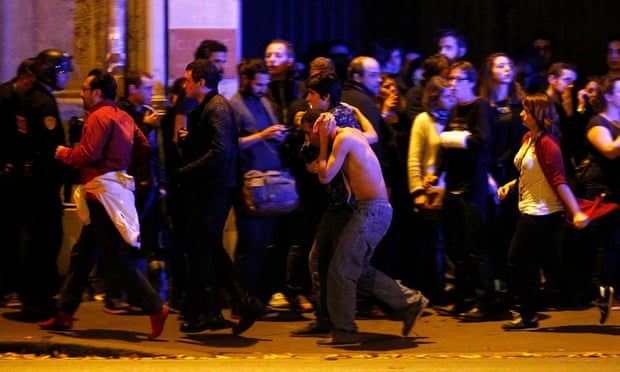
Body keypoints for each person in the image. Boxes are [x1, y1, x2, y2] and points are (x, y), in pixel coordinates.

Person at [38, 68, 169, 340]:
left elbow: (89, 152)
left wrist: (65, 153)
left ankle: (155, 307)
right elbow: (143, 146)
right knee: (83, 255)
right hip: (111, 190)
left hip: (101, 193)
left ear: (97, 92)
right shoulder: (123, 116)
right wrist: (120, 165)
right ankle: (65, 312)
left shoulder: (98, 117)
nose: (83, 93)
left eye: (85, 89)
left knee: (114, 258)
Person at [299, 98, 429, 347]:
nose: (308, 140)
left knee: (341, 268)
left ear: (319, 128)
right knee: (355, 268)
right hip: (366, 210)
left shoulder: (343, 138)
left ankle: (346, 332)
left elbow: (325, 175)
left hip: (372, 211)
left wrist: (324, 140)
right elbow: (373, 133)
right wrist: (357, 111)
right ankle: (410, 302)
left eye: (308, 133)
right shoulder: (353, 134)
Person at [172, 59, 264, 335]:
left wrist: (185, 171)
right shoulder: (208, 107)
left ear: (201, 82)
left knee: (206, 245)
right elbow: (212, 145)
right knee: (205, 247)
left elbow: (221, 152)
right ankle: (211, 311)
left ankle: (241, 302)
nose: (185, 84)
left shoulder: (217, 107)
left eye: (188, 80)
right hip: (209, 189)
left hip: (215, 190)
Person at [498, 93, 590, 331]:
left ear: (538, 115)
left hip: (543, 212)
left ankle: (528, 316)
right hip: (530, 207)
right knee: (549, 266)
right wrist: (511, 184)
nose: (521, 114)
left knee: (516, 259)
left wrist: (576, 212)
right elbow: (528, 172)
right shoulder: (528, 138)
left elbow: (560, 181)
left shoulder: (548, 144)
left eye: (526, 111)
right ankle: (598, 293)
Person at [433, 61, 498, 321]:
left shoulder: (480, 107)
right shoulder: (454, 111)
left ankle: (485, 302)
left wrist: (452, 138)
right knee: (456, 248)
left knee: (477, 247)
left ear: (470, 82)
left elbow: (482, 140)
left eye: (456, 80)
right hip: (454, 187)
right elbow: (444, 149)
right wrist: (435, 173)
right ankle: (461, 299)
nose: (451, 84)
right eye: (449, 79)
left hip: (474, 188)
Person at [18, 49, 72, 320]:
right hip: (43, 184)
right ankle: (38, 299)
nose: (66, 77)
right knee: (47, 241)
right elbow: (50, 147)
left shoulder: (28, 98)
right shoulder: (44, 103)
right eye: (62, 71)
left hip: (30, 181)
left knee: (35, 241)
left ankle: (30, 296)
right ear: (49, 71)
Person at [229, 58, 288, 304]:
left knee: (265, 245)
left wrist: (278, 135)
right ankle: (241, 300)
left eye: (266, 83)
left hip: (272, 181)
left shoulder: (265, 101)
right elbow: (233, 145)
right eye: (259, 83)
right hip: (250, 183)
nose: (264, 88)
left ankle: (257, 298)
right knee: (249, 245)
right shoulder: (234, 106)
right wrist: (263, 135)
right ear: (245, 80)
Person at [478, 52, 527, 297]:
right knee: (490, 232)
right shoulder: (483, 105)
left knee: (512, 230)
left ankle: (513, 287)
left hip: (515, 171)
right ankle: (492, 288)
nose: (506, 69)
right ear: (489, 72)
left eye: (509, 65)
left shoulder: (520, 105)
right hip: (488, 172)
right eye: (500, 65)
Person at [407, 75, 456, 302]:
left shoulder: (455, 120)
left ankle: (447, 287)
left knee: (447, 241)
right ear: (435, 97)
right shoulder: (424, 120)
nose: (452, 98)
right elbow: (414, 158)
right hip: (431, 189)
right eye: (447, 94)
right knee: (432, 242)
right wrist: (417, 190)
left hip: (452, 188)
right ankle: (433, 290)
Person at [582, 74, 620, 323]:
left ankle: (609, 288)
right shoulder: (597, 123)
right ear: (608, 95)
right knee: (610, 242)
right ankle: (604, 289)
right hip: (604, 191)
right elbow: (610, 151)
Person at [0, 58, 37, 309]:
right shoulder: (7, 97)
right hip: (6, 176)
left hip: (14, 174)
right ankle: (7, 288)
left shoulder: (17, 96)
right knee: (8, 234)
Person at [264, 39, 303, 123]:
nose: (271, 59)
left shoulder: (301, 88)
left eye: (278, 56)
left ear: (290, 60)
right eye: (268, 56)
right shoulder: (262, 89)